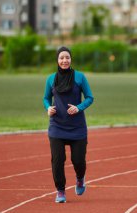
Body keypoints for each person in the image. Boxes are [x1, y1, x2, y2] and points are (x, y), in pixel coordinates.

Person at [43, 46, 94, 203]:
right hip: (57, 126)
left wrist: (78, 107)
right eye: (61, 58)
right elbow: (46, 98)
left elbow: (90, 97)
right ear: (57, 60)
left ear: (71, 59)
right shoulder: (51, 79)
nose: (64, 60)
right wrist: (48, 108)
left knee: (78, 160)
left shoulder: (79, 77)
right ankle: (60, 191)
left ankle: (80, 178)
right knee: (57, 160)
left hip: (77, 127)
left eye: (67, 57)